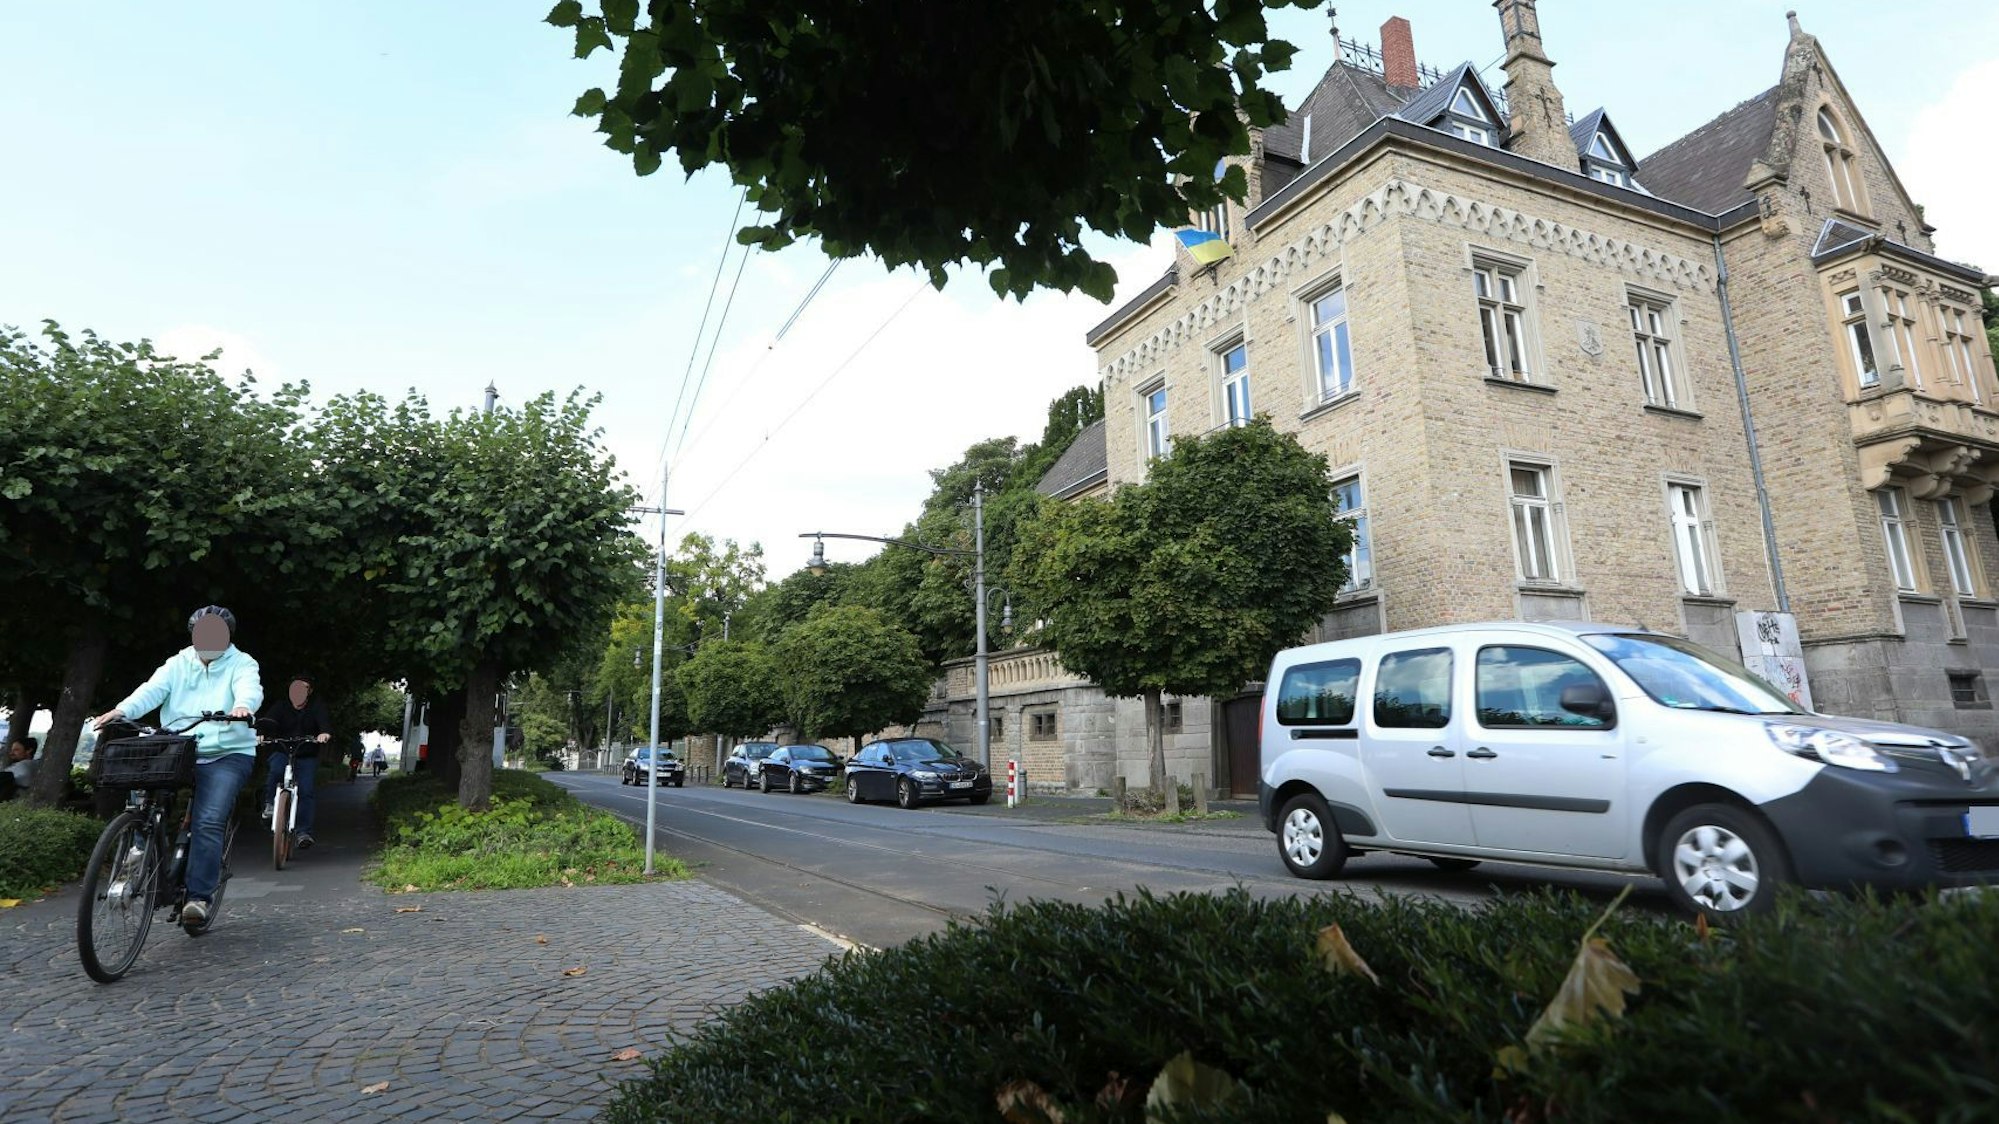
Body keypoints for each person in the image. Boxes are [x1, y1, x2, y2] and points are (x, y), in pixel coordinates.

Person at [91, 605, 261, 932]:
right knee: (145, 793)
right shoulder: (177, 664)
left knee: (209, 820)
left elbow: (248, 688)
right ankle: (138, 849)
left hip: (227, 752)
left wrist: (242, 706)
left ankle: (199, 898)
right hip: (180, 748)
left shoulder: (243, 663)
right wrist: (121, 710)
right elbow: (152, 690)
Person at [258, 673, 331, 850]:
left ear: (310, 691)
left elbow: (324, 722)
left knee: (306, 790)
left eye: (303, 688)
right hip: (282, 749)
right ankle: (270, 804)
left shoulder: (316, 706)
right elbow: (269, 720)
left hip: (306, 753)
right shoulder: (281, 705)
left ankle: (303, 832)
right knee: (275, 770)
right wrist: (262, 733)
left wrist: (324, 733)